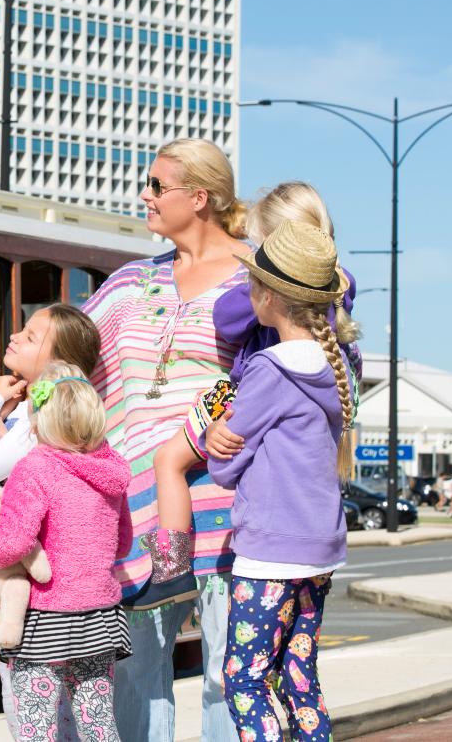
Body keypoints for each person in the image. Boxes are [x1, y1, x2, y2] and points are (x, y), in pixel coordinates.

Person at [81, 137, 247, 741]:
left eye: (157, 185)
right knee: (133, 668)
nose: (144, 196)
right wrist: (10, 404)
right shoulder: (129, 283)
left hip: (230, 504)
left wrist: (229, 417)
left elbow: (288, 366)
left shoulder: (259, 277)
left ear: (199, 197)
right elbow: (70, 359)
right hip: (132, 507)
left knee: (229, 673)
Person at [140, 182, 361, 609]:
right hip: (314, 523)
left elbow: (226, 318)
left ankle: (172, 570)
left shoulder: (280, 309)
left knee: (168, 459)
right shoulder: (337, 287)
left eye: (259, 247)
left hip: (244, 395)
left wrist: (259, 276)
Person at [205, 219, 356, 742]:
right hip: (320, 548)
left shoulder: (269, 370)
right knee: (298, 677)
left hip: (270, 551)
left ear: (267, 298)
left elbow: (224, 464)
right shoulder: (336, 369)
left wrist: (213, 435)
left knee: (243, 680)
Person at [0, 303, 102, 740]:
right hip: (60, 594)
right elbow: (1, 490)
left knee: (36, 715)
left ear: (59, 362)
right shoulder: (39, 412)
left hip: (39, 599)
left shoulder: (42, 414)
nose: (16, 336)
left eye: (31, 336)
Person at [0, 362, 133, 742]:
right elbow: (123, 543)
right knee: (98, 723)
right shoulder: (110, 471)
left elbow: (12, 542)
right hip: (100, 618)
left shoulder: (35, 468)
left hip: (46, 619)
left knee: (36, 726)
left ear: (36, 421)